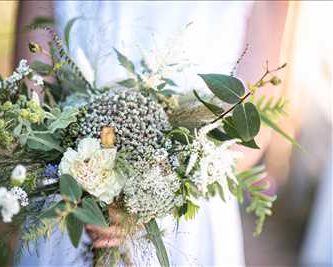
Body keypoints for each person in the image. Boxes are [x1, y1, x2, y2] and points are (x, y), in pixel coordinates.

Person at [14, 1, 288, 266]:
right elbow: (30, 96)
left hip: (187, 197)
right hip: (70, 186)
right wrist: (87, 189)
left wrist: (156, 192)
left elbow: (253, 116)